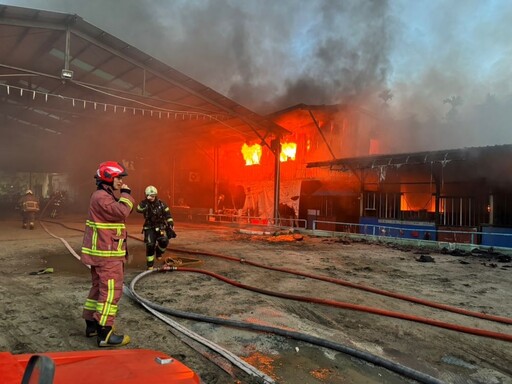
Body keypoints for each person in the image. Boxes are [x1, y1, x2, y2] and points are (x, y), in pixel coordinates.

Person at [80, 161, 134, 347]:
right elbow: (121, 212)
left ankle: (92, 324)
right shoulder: (102, 197)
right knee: (111, 292)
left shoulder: (103, 196)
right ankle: (105, 333)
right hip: (107, 254)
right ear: (109, 177)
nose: (121, 182)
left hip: (104, 252)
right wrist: (126, 195)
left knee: (99, 288)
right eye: (119, 178)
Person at [136, 185, 176, 270]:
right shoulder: (145, 204)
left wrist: (170, 223)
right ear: (146, 196)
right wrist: (145, 203)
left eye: (153, 196)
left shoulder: (162, 204)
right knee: (150, 245)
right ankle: (150, 265)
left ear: (156, 195)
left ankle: (159, 253)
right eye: (149, 196)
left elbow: (168, 214)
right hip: (149, 227)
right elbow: (138, 209)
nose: (151, 197)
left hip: (160, 226)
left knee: (164, 241)